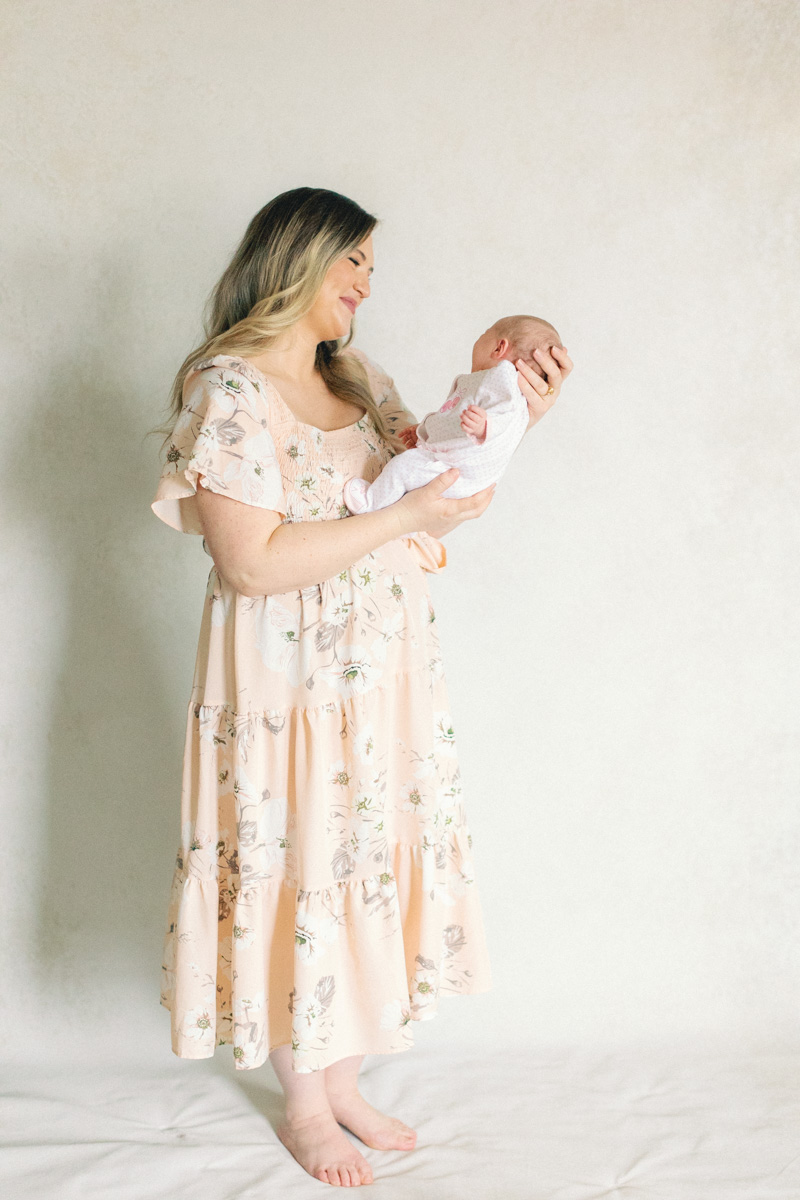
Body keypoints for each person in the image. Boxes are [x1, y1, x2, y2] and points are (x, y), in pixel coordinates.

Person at [150, 187, 573, 1188]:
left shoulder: (361, 379)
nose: (365, 286)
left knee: (349, 861)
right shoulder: (231, 390)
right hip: (280, 689)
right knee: (295, 860)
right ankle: (304, 1103)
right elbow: (251, 564)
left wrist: (512, 411)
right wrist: (411, 509)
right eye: (354, 265)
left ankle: (338, 1079)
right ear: (298, 259)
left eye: (371, 270)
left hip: (379, 677)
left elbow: (435, 499)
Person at [342, 315, 563, 514]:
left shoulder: (503, 379)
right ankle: (407, 526)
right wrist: (422, 433)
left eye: (484, 334)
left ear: (499, 348)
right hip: (456, 471)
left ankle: (370, 502)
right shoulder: (489, 385)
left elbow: (506, 418)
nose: (478, 339)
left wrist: (485, 426)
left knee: (402, 467)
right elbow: (451, 422)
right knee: (410, 475)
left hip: (456, 472)